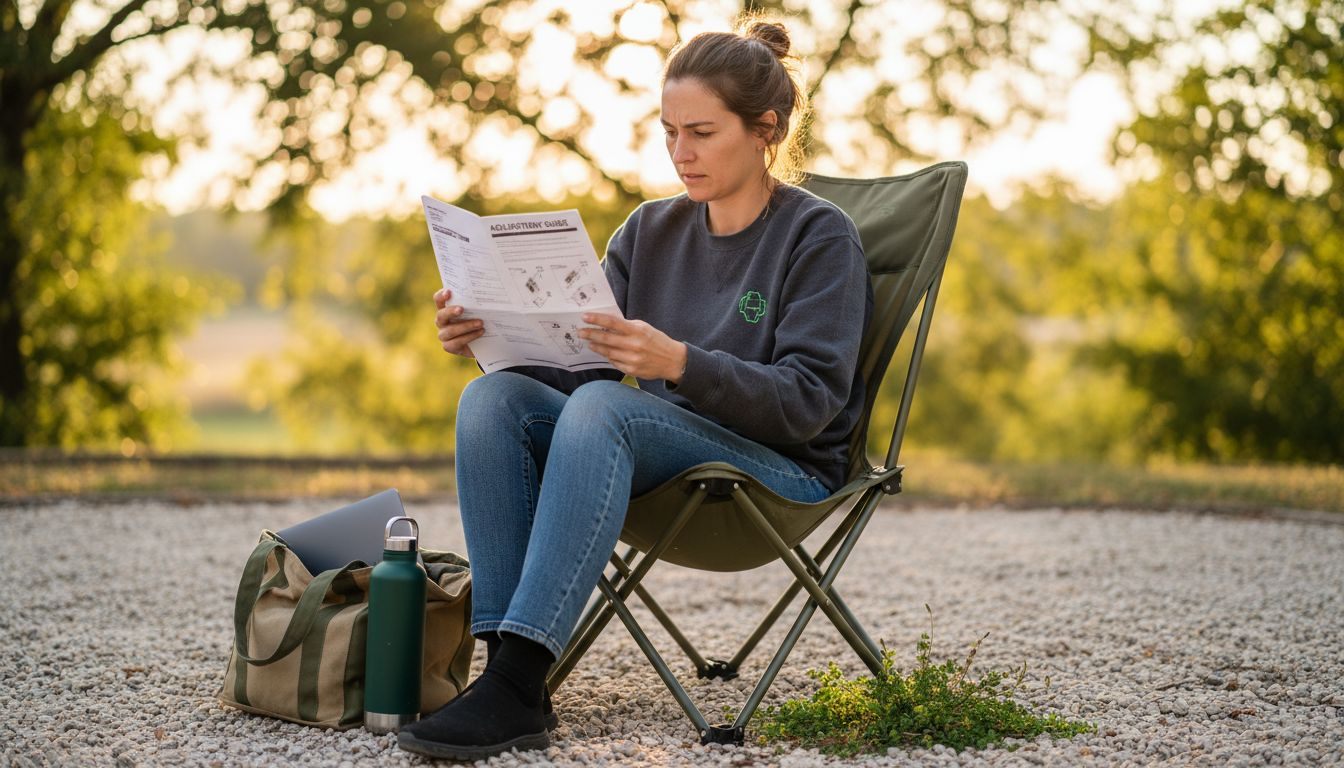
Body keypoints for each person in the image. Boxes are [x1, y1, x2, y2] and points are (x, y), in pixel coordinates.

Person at [397, 17, 873, 761]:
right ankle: (503, 672)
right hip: (652, 449)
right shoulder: (649, 230)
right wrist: (484, 337)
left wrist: (681, 361)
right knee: (492, 401)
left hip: (777, 471)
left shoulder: (818, 237)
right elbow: (577, 369)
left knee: (608, 407)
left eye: (703, 132)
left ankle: (520, 681)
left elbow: (809, 404)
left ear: (765, 130)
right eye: (669, 131)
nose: (681, 153)